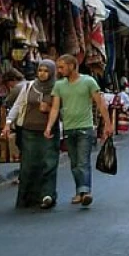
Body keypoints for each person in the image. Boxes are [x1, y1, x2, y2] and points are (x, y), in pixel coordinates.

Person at [44, 54, 113, 207]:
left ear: (72, 66)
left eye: (62, 67)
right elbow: (55, 108)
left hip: (85, 127)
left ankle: (86, 191)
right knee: (74, 163)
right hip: (69, 128)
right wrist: (49, 127)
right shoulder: (59, 85)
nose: (59, 70)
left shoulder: (88, 81)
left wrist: (108, 125)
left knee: (83, 161)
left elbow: (101, 104)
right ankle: (79, 192)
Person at [4, 59, 58, 209]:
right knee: (29, 165)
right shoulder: (29, 86)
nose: (42, 74)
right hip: (29, 130)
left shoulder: (57, 88)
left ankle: (47, 195)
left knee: (48, 164)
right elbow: (18, 105)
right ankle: (27, 198)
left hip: (49, 131)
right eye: (40, 70)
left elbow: (63, 110)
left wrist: (49, 110)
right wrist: (8, 123)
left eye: (46, 71)